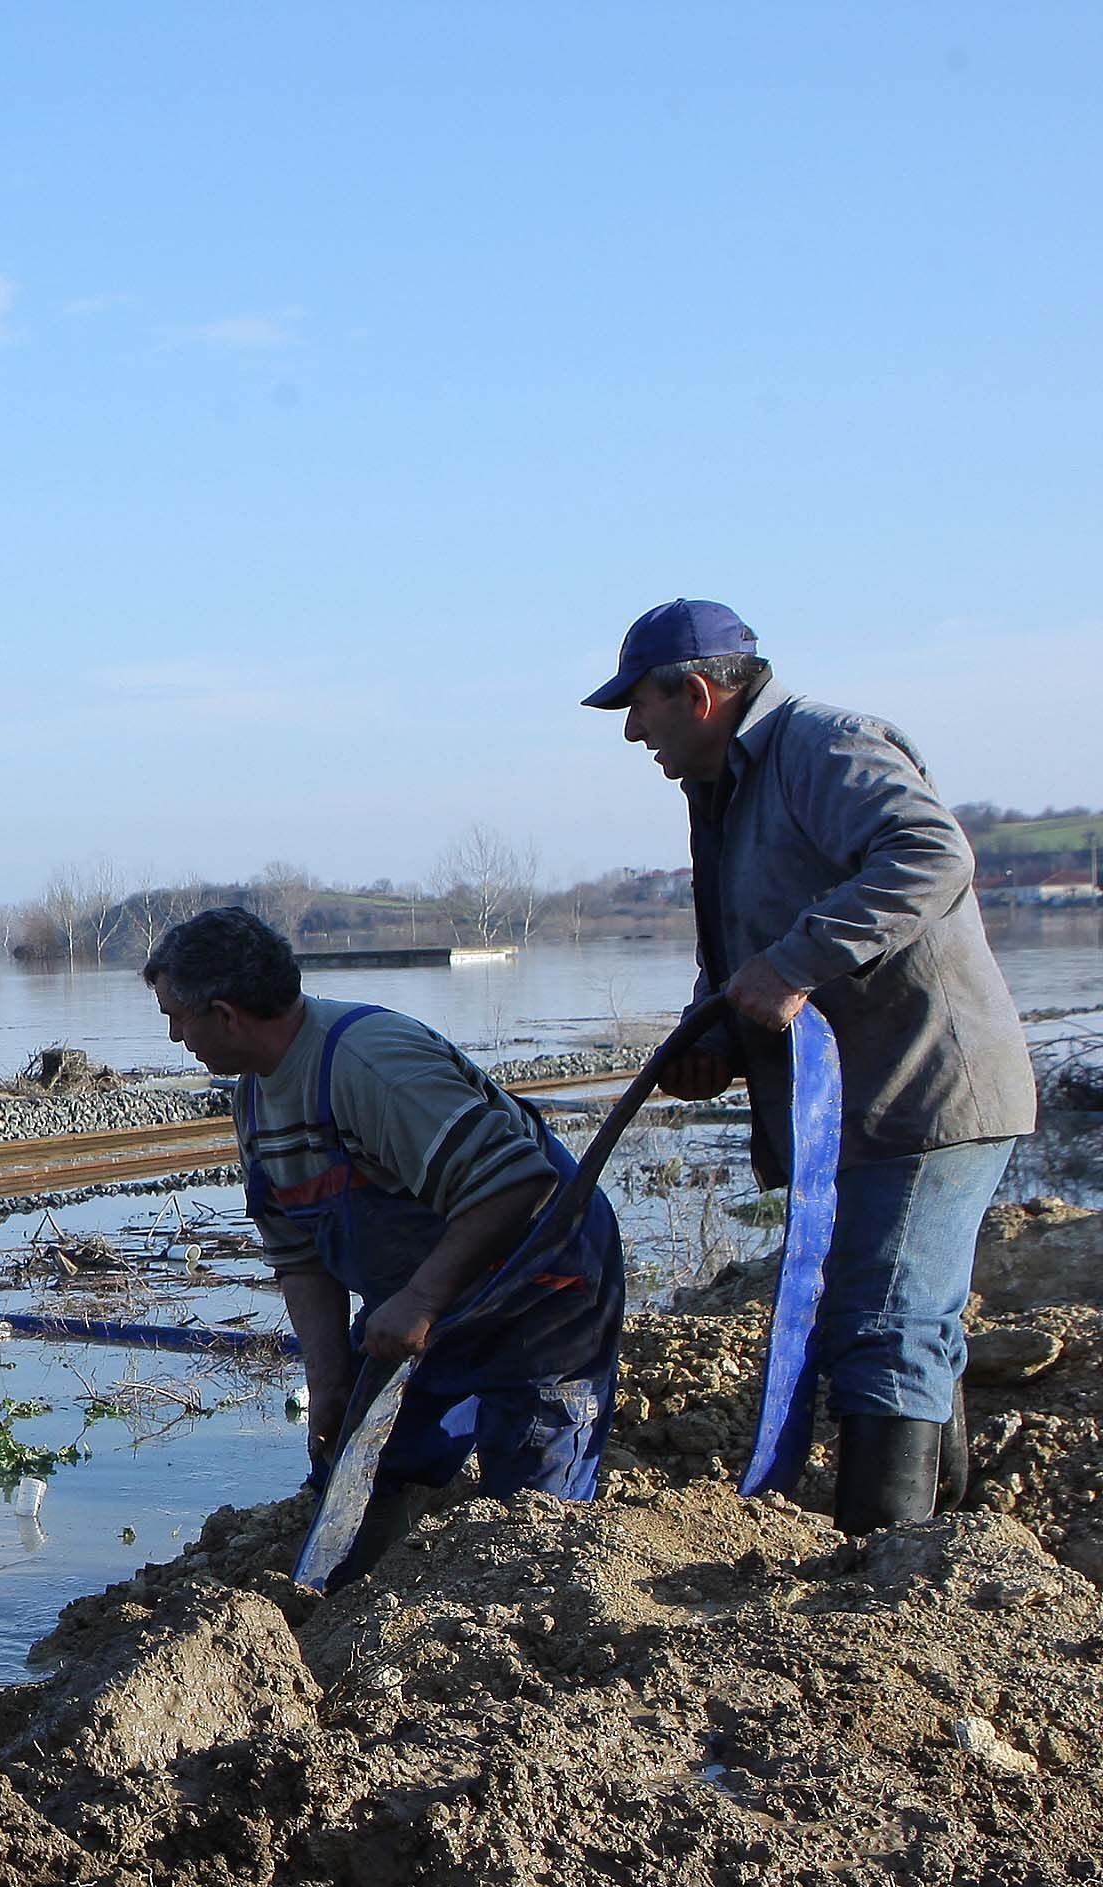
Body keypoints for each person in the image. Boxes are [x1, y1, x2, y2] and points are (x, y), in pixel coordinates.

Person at [586, 600, 1036, 1532]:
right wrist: (708, 1040)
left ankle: (893, 1565)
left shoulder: (823, 747)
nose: (632, 730)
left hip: (926, 1094)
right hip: (852, 1111)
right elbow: (735, 952)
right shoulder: (721, 791)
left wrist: (795, 964)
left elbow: (930, 855)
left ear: (699, 693)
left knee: (886, 1321)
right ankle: (939, 1535)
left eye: (638, 705)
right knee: (887, 1319)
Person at [143, 906, 626, 1579]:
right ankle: (345, 1606)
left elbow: (519, 1183)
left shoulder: (369, 1065)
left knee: (531, 1511)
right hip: (433, 1296)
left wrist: (423, 1298)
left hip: (546, 1291)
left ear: (225, 1014)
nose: (173, 1035)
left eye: (177, 1016)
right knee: (359, 1459)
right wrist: (328, 1376)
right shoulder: (255, 1101)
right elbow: (301, 1253)